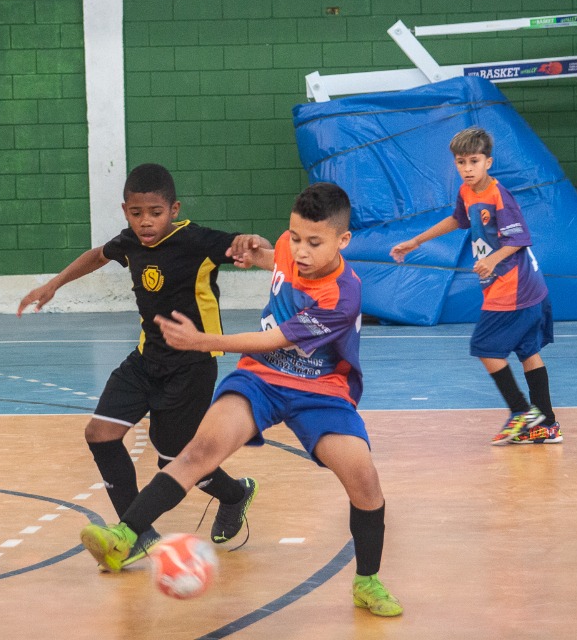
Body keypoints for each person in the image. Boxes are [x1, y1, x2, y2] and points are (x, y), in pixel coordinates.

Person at [77, 182, 403, 617]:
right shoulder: (292, 246)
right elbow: (278, 259)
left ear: (343, 241)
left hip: (321, 390)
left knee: (364, 480)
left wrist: (201, 341)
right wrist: (253, 254)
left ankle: (367, 581)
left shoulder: (341, 296)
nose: (301, 250)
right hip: (262, 379)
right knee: (200, 451)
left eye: (315, 243)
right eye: (297, 237)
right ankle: (125, 534)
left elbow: (273, 339)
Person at [17, 163, 262, 570]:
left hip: (192, 367)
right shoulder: (130, 241)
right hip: (146, 360)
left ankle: (235, 494)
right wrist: (53, 284)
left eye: (155, 212)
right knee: (100, 434)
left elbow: (249, 250)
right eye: (136, 213)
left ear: (173, 209)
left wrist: (256, 244)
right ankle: (136, 536)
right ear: (126, 211)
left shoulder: (196, 240)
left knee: (174, 462)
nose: (145, 222)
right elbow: (98, 255)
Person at [390, 127, 561, 446]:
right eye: (461, 162)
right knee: (528, 351)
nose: (467, 168)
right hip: (524, 286)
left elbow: (519, 238)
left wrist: (493, 260)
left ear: (488, 162)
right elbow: (458, 220)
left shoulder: (499, 196)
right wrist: (415, 241)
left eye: (474, 161)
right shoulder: (467, 192)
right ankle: (547, 424)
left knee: (484, 347)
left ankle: (522, 412)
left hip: (513, 287)